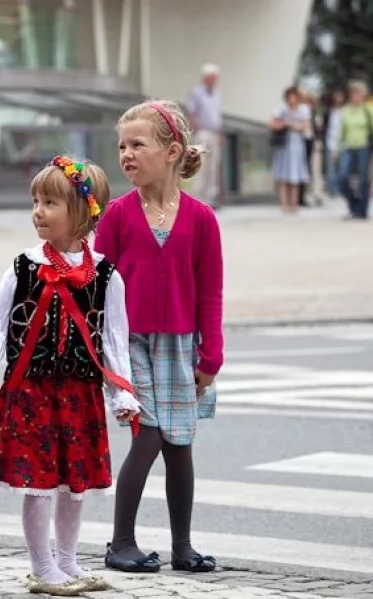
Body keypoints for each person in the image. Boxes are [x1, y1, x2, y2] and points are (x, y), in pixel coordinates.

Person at [0, 156, 140, 596]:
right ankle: (42, 567)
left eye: (51, 202)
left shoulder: (106, 276)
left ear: (83, 213)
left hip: (80, 394)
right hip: (32, 392)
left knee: (72, 485)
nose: (38, 210)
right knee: (37, 483)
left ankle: (69, 561)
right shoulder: (23, 266)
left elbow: (114, 338)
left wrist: (122, 395)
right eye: (36, 201)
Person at [94, 100, 224, 574]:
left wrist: (212, 356)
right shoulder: (117, 216)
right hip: (130, 346)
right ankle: (120, 542)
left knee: (180, 445)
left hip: (181, 345)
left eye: (137, 145)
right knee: (148, 435)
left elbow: (211, 293)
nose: (126, 154)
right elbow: (96, 286)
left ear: (172, 152)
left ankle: (182, 547)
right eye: (121, 146)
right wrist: (100, 351)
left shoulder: (202, 219)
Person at [336, 80, 373, 220]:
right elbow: (342, 131)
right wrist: (337, 149)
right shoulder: (345, 110)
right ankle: (353, 204)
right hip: (348, 146)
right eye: (354, 93)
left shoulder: (368, 109)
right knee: (342, 178)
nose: (356, 96)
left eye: (359, 93)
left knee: (363, 180)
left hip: (364, 147)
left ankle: (362, 210)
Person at [185, 62, 224, 208]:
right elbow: (192, 113)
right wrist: (198, 129)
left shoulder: (217, 94)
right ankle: (198, 198)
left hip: (214, 133)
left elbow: (218, 116)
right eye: (212, 77)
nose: (215, 80)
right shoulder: (196, 92)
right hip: (203, 133)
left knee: (213, 166)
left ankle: (210, 198)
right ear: (205, 77)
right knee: (201, 165)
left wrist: (220, 134)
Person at [269, 86, 311, 214]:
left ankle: (294, 203)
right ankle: (284, 203)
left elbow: (305, 126)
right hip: (284, 145)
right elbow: (272, 124)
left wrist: (291, 124)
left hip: (297, 146)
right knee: (283, 175)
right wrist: (284, 124)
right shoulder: (281, 109)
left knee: (295, 175)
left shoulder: (303, 109)